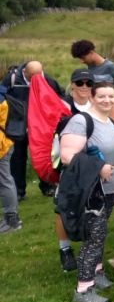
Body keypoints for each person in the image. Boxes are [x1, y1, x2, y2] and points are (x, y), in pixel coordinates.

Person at [59, 82, 114, 302]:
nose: (107, 100)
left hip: (109, 189)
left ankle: (97, 274)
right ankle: (83, 288)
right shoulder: (81, 121)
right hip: (90, 191)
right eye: (102, 96)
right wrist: (98, 167)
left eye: (111, 96)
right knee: (94, 237)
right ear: (92, 96)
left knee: (100, 232)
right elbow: (68, 155)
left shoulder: (112, 122)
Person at [1, 61, 64, 201]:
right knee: (18, 157)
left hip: (40, 127)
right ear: (25, 73)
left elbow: (59, 96)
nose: (37, 80)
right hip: (18, 125)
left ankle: (47, 186)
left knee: (44, 155)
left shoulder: (47, 80)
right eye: (32, 77)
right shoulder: (12, 79)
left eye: (39, 76)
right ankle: (19, 191)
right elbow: (2, 94)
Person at [54, 69, 95, 269]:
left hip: (92, 163)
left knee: (90, 207)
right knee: (62, 206)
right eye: (80, 83)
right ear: (72, 84)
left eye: (89, 83)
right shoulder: (62, 105)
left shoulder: (97, 104)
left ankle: (90, 248)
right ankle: (65, 250)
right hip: (68, 163)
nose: (85, 87)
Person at [0, 91, 22, 234]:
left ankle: (12, 220)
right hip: (5, 142)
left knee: (4, 180)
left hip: (2, 146)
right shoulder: (2, 93)